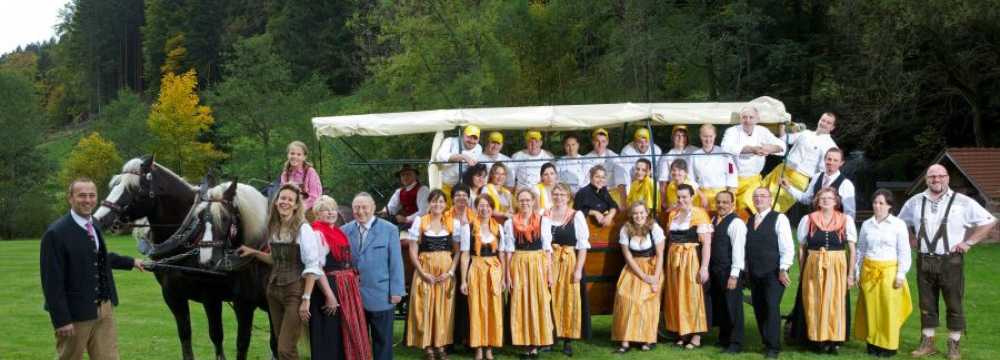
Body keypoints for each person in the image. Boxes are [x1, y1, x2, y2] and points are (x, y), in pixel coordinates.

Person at [40, 177, 145, 360]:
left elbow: (97, 256)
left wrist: (131, 262)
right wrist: (62, 320)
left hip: (104, 309)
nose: (87, 200)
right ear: (70, 198)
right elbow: (52, 282)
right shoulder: (55, 233)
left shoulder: (93, 224)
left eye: (91, 195)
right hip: (75, 314)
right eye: (82, 196)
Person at [899, 164, 996, 360]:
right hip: (924, 260)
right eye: (932, 176)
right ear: (926, 179)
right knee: (926, 303)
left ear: (947, 178)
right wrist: (909, 239)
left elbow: (989, 220)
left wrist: (969, 242)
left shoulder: (962, 202)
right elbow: (900, 223)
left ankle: (954, 344)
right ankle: (927, 343)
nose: (936, 180)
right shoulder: (915, 202)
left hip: (950, 261)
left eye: (940, 176)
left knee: (954, 303)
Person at [237, 184, 323, 360]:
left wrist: (306, 299)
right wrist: (253, 252)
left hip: (295, 292)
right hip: (273, 292)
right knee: (281, 346)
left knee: (285, 348)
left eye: (290, 199)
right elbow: (275, 260)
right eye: (282, 198)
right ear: (276, 202)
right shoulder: (274, 228)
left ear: (296, 205)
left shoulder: (303, 229)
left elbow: (312, 266)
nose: (285, 202)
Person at [788, 187, 857, 354]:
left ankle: (832, 339)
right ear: (817, 201)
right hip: (813, 264)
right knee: (814, 300)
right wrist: (803, 269)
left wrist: (850, 274)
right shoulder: (809, 219)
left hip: (837, 265)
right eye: (822, 198)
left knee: (834, 302)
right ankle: (814, 338)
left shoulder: (845, 220)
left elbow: (852, 249)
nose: (825, 201)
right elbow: (802, 248)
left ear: (836, 202)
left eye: (829, 198)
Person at [342, 192, 407, 360]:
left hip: (382, 295)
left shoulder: (389, 230)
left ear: (373, 208)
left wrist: (397, 291)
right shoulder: (344, 231)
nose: (360, 211)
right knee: (357, 342)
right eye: (356, 208)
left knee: (383, 342)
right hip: (354, 298)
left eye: (364, 207)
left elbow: (396, 262)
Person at [309, 196, 372, 360]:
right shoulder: (317, 233)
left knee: (345, 330)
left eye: (333, 209)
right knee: (330, 333)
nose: (330, 212)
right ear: (317, 213)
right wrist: (329, 295)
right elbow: (317, 267)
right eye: (325, 209)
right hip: (330, 286)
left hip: (346, 286)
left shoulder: (337, 231)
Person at [853, 189, 912, 358]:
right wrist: (857, 271)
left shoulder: (898, 225)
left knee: (888, 309)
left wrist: (901, 274)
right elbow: (860, 250)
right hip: (869, 271)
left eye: (881, 203)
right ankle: (872, 343)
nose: (877, 206)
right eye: (875, 202)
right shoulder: (866, 224)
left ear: (889, 206)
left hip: (889, 272)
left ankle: (888, 345)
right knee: (871, 308)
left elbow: (904, 251)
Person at [406, 190, 462, 359]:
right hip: (425, 270)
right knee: (425, 307)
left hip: (445, 272)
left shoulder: (453, 223)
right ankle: (427, 346)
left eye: (441, 202)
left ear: (446, 205)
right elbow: (412, 249)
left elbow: (458, 252)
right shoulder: (420, 222)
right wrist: (422, 273)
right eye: (434, 201)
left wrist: (450, 272)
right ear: (429, 204)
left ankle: (440, 345)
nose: (437, 205)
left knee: (444, 309)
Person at [503, 188, 555, 358]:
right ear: (517, 202)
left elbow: (547, 249)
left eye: (528, 200)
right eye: (521, 200)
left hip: (538, 263)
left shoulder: (543, 221)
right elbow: (508, 250)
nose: (525, 203)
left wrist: (549, 273)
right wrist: (507, 275)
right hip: (518, 263)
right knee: (521, 301)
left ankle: (536, 341)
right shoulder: (510, 223)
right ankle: (524, 341)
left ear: (533, 201)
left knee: (538, 301)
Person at [745, 187, 794, 359]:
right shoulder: (750, 220)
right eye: (756, 196)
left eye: (763, 196)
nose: (759, 199)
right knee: (759, 307)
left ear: (770, 199)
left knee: (772, 307)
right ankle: (766, 342)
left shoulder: (779, 218)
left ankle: (774, 347)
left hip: (774, 272)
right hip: (755, 272)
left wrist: (783, 268)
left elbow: (787, 246)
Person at [611, 201, 666, 353]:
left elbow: (660, 254)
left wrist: (655, 278)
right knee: (625, 297)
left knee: (644, 299)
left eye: (641, 212)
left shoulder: (654, 228)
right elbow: (627, 256)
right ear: (631, 215)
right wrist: (642, 275)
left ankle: (647, 338)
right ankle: (625, 341)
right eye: (635, 213)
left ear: (646, 213)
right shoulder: (626, 229)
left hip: (652, 266)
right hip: (633, 268)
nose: (639, 216)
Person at [663, 184, 713, 349]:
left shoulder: (699, 214)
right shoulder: (673, 214)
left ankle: (696, 336)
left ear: (692, 197)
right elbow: (670, 239)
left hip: (691, 258)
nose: (681, 200)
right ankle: (682, 332)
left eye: (684, 197)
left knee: (692, 295)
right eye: (678, 197)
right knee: (677, 295)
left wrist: (704, 267)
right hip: (674, 260)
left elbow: (706, 244)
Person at [547, 184, 592, 356]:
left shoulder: (576, 215)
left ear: (568, 197)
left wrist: (579, 269)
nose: (559, 197)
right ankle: (551, 336)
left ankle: (567, 338)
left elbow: (582, 245)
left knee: (568, 299)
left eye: (562, 194)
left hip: (569, 262)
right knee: (550, 298)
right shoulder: (546, 214)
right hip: (550, 262)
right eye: (556, 194)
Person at [460, 196, 507, 360]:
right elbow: (465, 255)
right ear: (476, 208)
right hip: (476, 269)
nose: (484, 209)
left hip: (494, 270)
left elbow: (501, 253)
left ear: (492, 209)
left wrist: (503, 278)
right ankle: (478, 346)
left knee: (493, 308)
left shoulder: (499, 228)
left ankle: (490, 347)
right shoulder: (469, 228)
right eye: (481, 206)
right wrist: (463, 280)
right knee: (476, 308)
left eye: (487, 206)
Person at [764, 112, 839, 213]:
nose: (824, 123)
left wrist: (818, 192)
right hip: (782, 169)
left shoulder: (830, 146)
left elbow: (823, 172)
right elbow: (785, 139)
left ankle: (766, 227)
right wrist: (782, 123)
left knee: (774, 206)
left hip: (799, 178)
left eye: (828, 123)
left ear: (832, 127)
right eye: (823, 120)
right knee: (759, 195)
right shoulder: (806, 133)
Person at [721, 107, 786, 218]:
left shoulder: (762, 131)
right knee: (731, 211)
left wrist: (770, 148)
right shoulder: (732, 131)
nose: (748, 120)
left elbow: (782, 146)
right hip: (734, 180)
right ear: (740, 119)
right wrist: (752, 149)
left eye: (751, 117)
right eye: (744, 117)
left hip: (753, 179)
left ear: (757, 119)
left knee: (750, 205)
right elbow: (726, 147)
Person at [707, 191, 747, 354]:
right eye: (719, 202)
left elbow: (738, 250)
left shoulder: (736, 223)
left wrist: (734, 275)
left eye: (725, 202)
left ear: (732, 204)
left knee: (733, 307)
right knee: (721, 305)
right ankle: (723, 338)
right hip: (716, 270)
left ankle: (736, 342)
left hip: (729, 271)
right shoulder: (714, 220)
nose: (721, 205)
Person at [782, 147, 857, 219]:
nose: (831, 162)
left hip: (835, 227)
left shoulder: (846, 184)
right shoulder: (816, 177)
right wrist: (789, 188)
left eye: (835, 160)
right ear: (825, 160)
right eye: (829, 159)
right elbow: (807, 199)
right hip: (816, 224)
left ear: (841, 163)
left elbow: (849, 213)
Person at [690, 124, 738, 213]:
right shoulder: (694, 155)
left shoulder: (724, 153)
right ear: (700, 136)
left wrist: (728, 197)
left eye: (710, 136)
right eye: (705, 136)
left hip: (722, 197)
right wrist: (702, 196)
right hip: (702, 198)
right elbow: (690, 179)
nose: (708, 139)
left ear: (715, 136)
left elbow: (732, 175)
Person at [435, 125, 483, 202]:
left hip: (463, 188)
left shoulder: (478, 148)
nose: (471, 140)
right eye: (469, 137)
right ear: (463, 135)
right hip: (444, 184)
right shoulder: (450, 141)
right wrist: (463, 157)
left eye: (475, 138)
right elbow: (440, 157)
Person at [617, 128, 662, 196]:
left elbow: (658, 173)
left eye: (646, 142)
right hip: (633, 181)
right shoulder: (626, 151)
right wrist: (628, 194)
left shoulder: (656, 150)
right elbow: (625, 175)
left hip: (650, 180)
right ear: (634, 142)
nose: (643, 145)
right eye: (640, 142)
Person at [280, 140, 324, 209]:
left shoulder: (310, 172)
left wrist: (299, 209)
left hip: (310, 208)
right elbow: (283, 195)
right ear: (288, 155)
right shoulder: (285, 175)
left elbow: (314, 197)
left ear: (304, 157)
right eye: (292, 153)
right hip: (291, 207)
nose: (295, 156)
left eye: (299, 154)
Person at [574, 165, 620, 229]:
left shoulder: (603, 190)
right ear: (591, 178)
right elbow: (576, 211)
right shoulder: (582, 193)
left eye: (603, 177)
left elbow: (613, 205)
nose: (600, 180)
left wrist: (610, 215)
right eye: (597, 177)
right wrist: (595, 213)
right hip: (585, 228)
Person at [582, 128, 623, 193]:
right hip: (592, 192)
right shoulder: (586, 158)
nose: (600, 144)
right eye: (597, 141)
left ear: (607, 142)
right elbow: (584, 181)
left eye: (603, 141)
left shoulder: (614, 158)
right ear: (593, 142)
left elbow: (621, 180)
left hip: (611, 192)